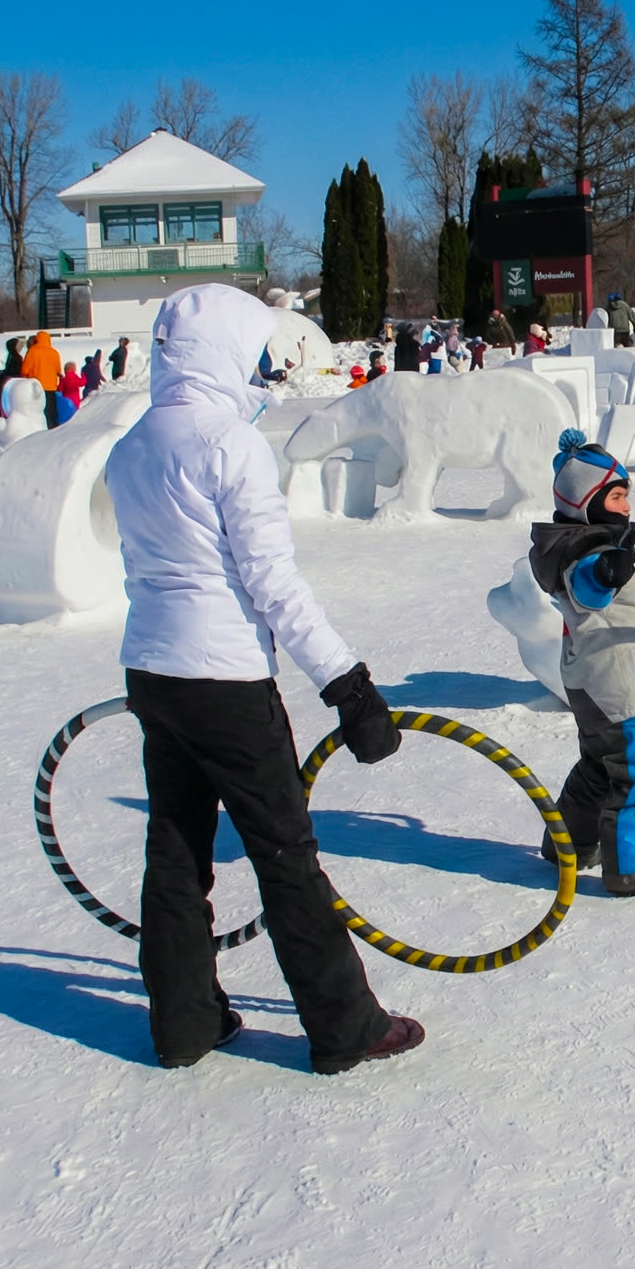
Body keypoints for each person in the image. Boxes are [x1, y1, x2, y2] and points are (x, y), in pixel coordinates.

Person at [104, 283, 424, 1073]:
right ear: (224, 353)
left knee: (175, 851)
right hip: (224, 682)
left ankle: (184, 1025)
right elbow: (272, 584)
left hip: (152, 668)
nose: (265, 370)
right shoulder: (229, 444)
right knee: (284, 855)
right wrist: (347, 685)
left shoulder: (132, 442)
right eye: (257, 353)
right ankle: (346, 1028)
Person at [527, 431, 635, 899]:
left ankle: (570, 847)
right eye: (616, 496)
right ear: (586, 503)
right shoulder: (587, 552)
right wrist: (606, 572)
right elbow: (587, 587)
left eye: (626, 495)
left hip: (597, 683)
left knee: (600, 767)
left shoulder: (590, 541)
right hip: (626, 688)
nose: (626, 505)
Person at [21, 330, 64, 426]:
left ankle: (39, 428)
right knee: (51, 409)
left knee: (38, 409)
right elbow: (58, 370)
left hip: (37, 386)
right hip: (51, 386)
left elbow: (25, 370)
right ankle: (53, 427)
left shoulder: (33, 351)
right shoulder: (54, 352)